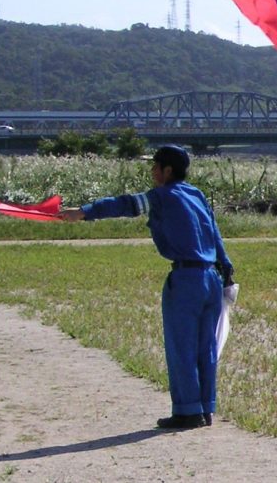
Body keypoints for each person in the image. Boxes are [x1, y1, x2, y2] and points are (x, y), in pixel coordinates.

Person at [59, 145, 234, 430]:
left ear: (167, 170)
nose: (152, 172)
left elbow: (126, 204)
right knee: (206, 348)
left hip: (186, 279)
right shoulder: (197, 195)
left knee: (182, 346)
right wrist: (227, 272)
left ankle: (187, 411)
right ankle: (205, 408)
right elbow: (215, 234)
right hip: (212, 278)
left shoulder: (161, 196)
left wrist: (84, 212)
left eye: (155, 166)